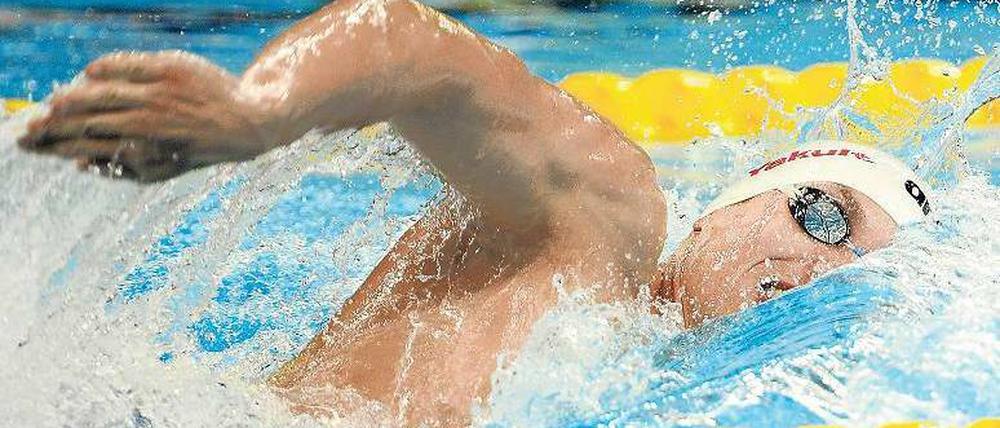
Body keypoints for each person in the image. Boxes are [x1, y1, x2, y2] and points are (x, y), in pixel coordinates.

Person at [15, 0, 932, 424]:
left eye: (852, 274)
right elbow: (417, 44)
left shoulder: (648, 374)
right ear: (742, 195)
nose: (814, 270)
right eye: (822, 218)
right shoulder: (609, 223)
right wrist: (261, 113)